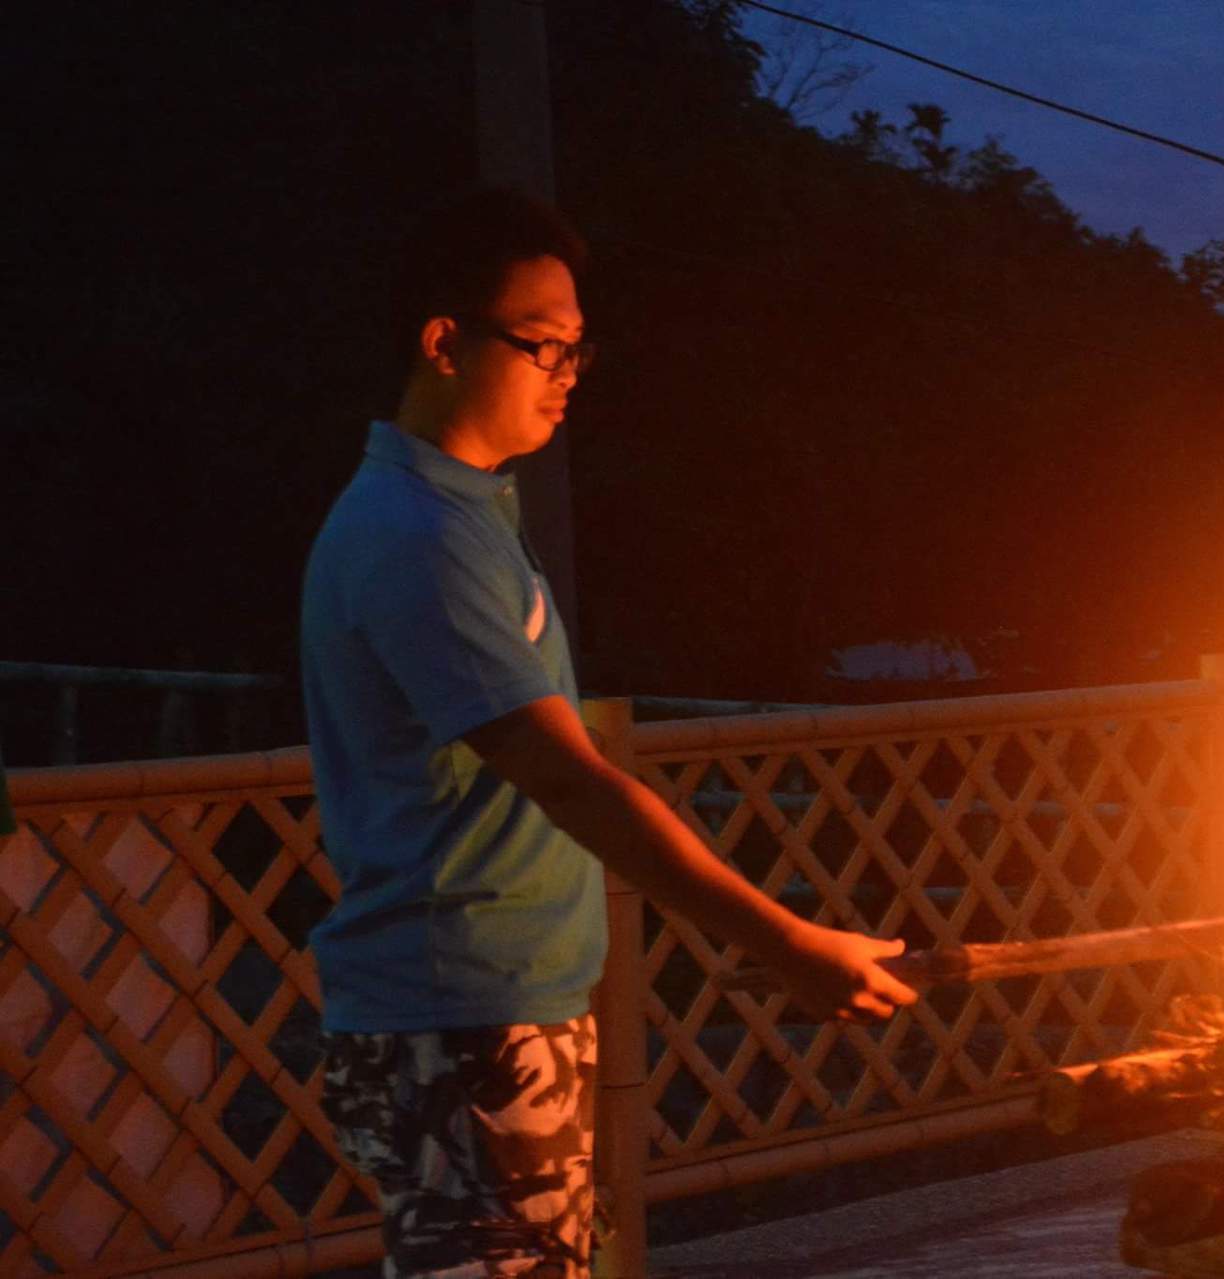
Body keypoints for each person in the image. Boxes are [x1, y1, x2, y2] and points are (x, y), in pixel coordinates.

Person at [300, 188, 917, 1279]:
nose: (567, 374)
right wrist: (783, 939)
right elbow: (569, 782)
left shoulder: (466, 510)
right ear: (446, 341)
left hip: (492, 1002)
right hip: (463, 1012)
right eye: (545, 346)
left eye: (580, 351)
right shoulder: (421, 538)